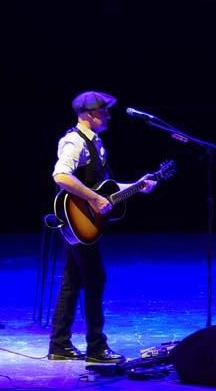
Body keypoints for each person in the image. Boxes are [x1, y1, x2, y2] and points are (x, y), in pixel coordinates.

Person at [48, 90, 156, 363]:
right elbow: (61, 176)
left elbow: (106, 189)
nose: (108, 116)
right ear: (88, 115)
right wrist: (95, 199)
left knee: (72, 282)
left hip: (84, 223)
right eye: (103, 111)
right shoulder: (74, 141)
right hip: (78, 219)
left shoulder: (97, 143)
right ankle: (96, 348)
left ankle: (59, 345)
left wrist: (136, 186)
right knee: (95, 279)